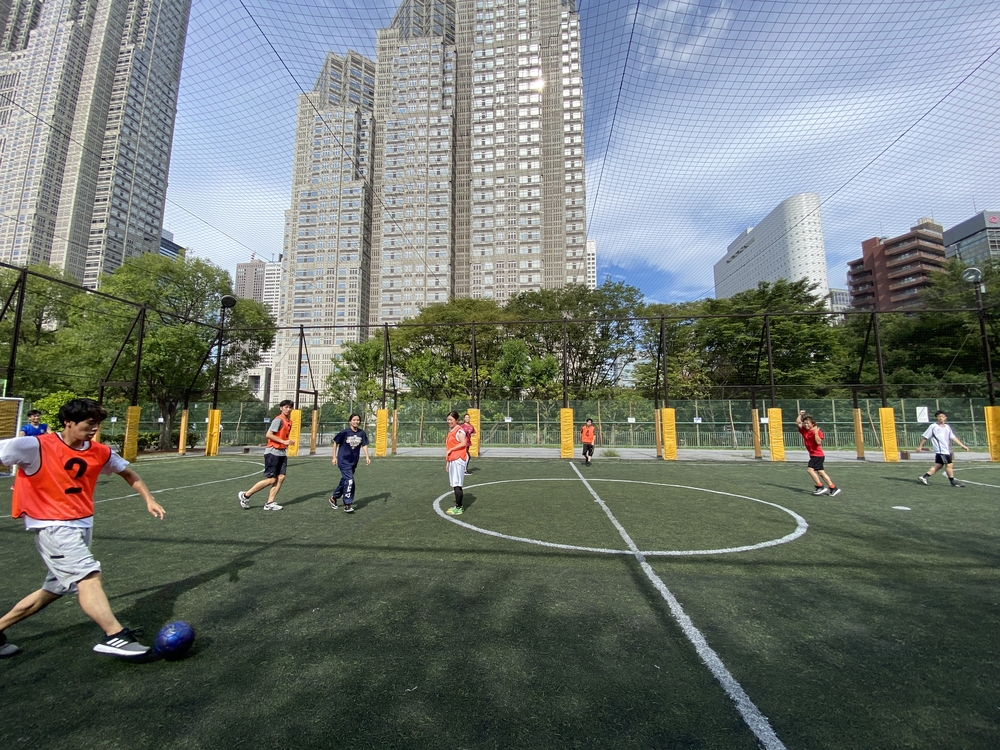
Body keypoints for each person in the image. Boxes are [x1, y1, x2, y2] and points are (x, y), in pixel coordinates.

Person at [0, 398, 165, 660]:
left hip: (81, 523)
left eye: (97, 425)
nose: (94, 430)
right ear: (68, 422)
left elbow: (129, 474)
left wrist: (149, 498)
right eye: (89, 424)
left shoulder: (100, 451)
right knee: (89, 575)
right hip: (52, 526)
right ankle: (115, 635)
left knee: (55, 590)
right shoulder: (34, 445)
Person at [238, 400, 295, 511]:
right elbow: (268, 434)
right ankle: (245, 495)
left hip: (282, 453)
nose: (288, 409)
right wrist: (283, 441)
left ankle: (270, 503)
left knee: (281, 477)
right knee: (271, 480)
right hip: (273, 452)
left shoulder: (290, 421)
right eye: (286, 407)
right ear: (281, 408)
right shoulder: (278, 420)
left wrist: (286, 443)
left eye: (290, 407)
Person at [330, 413, 371, 513]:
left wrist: (367, 456)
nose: (356, 422)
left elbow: (364, 445)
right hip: (343, 460)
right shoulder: (345, 432)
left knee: (345, 480)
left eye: (357, 420)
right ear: (350, 421)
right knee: (350, 480)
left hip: (353, 461)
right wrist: (334, 457)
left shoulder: (361, 433)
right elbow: (335, 442)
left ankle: (333, 498)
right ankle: (347, 504)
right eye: (354, 420)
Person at [917, 410, 969, 487]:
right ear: (937, 418)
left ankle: (924, 477)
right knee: (949, 465)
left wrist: (962, 445)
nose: (941, 418)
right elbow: (925, 436)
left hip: (946, 450)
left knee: (939, 465)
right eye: (939, 416)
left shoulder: (947, 427)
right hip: (941, 450)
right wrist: (920, 446)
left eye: (942, 416)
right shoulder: (933, 426)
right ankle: (952, 482)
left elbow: (953, 437)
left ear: (945, 418)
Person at [795, 410, 841, 496]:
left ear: (813, 424)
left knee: (810, 470)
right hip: (813, 455)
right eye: (805, 423)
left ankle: (820, 486)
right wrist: (800, 415)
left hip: (818, 455)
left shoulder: (817, 432)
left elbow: (818, 442)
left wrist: (815, 432)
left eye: (808, 423)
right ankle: (833, 488)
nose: (806, 425)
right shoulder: (804, 430)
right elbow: (797, 423)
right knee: (821, 472)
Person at [444, 411, 468, 516]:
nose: (449, 421)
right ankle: (457, 505)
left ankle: (459, 507)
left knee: (457, 484)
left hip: (458, 459)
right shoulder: (452, 431)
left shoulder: (459, 431)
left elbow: (464, 443)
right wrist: (448, 461)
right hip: (453, 459)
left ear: (457, 420)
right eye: (448, 419)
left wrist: (452, 450)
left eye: (451, 420)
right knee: (454, 484)